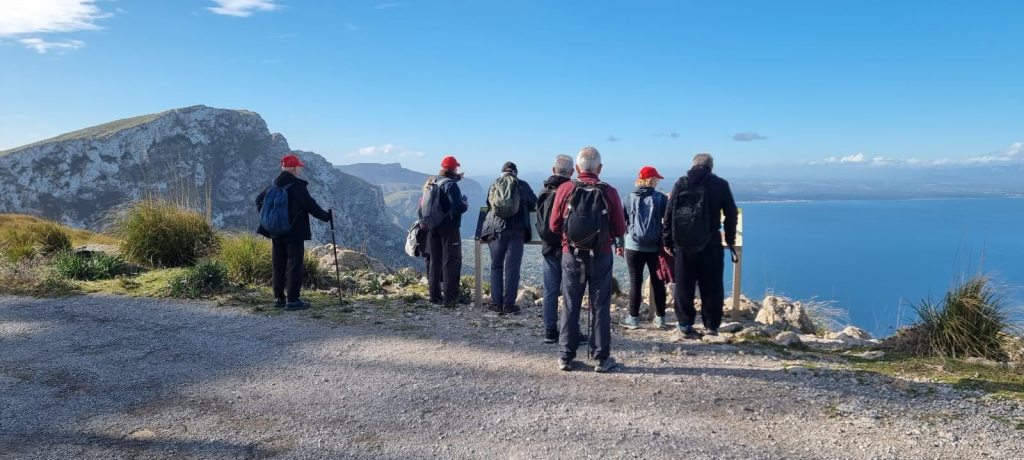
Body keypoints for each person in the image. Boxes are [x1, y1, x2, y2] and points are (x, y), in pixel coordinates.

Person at [549, 146, 626, 373]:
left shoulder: (565, 189)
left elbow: (554, 225)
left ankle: (566, 356)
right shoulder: (609, 192)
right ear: (599, 168)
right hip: (601, 255)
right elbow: (620, 227)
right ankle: (601, 358)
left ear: (576, 168)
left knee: (571, 304)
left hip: (570, 255)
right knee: (600, 305)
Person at [662, 153, 738, 337]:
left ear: (693, 165)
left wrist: (667, 240)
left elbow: (669, 212)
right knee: (711, 285)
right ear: (711, 167)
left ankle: (685, 324)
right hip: (711, 243)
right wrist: (729, 239)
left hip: (683, 244)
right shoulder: (720, 185)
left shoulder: (681, 183)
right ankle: (711, 326)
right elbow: (731, 214)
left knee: (683, 285)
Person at [256, 153, 333, 311]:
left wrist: (269, 220)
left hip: (276, 232)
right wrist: (327, 216)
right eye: (298, 167)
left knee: (278, 264)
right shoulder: (297, 186)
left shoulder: (273, 184)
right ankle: (293, 300)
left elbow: (258, 200)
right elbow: (310, 206)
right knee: (294, 265)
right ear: (293, 168)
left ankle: (278, 298)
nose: (300, 169)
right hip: (294, 232)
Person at [480, 161, 538, 315]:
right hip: (516, 231)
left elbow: (489, 203)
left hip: (495, 230)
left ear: (502, 173)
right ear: (515, 173)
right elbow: (534, 203)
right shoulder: (522, 185)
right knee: (512, 268)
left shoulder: (494, 184)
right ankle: (509, 304)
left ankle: (496, 303)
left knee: (496, 266)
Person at [619, 166, 669, 330]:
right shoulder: (661, 199)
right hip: (655, 247)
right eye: (656, 179)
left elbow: (621, 224)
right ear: (651, 180)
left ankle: (633, 318)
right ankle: (660, 318)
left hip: (633, 247)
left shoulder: (628, 198)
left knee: (635, 282)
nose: (657, 182)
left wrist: (619, 244)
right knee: (658, 281)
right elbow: (668, 222)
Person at [420, 156, 469, 307]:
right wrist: (465, 204)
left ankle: (434, 296)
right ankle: (450, 298)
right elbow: (457, 207)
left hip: (432, 227)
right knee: (451, 261)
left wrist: (457, 179)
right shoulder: (451, 185)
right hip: (449, 229)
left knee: (435, 261)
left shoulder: (431, 181)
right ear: (454, 168)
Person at [535, 155, 574, 343]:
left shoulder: (544, 190)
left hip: (548, 247)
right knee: (570, 291)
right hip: (568, 248)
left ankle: (550, 330)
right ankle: (569, 331)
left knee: (550, 291)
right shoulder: (573, 190)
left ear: (553, 170)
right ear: (572, 172)